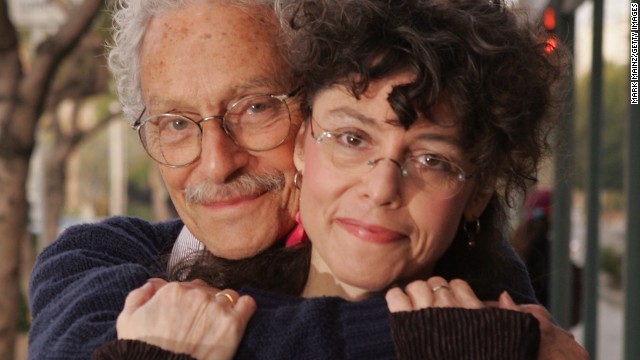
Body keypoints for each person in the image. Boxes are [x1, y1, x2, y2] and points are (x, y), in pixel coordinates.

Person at [28, 0, 583, 359]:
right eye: (175, 124)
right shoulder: (98, 262)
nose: (218, 163)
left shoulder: (471, 271)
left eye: (254, 108)